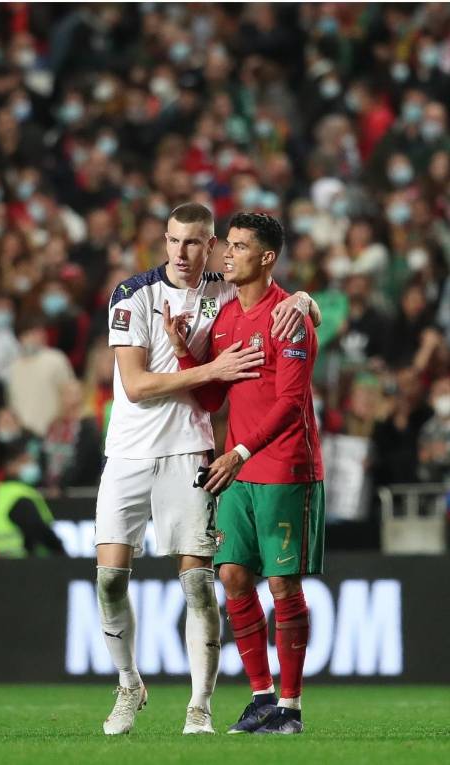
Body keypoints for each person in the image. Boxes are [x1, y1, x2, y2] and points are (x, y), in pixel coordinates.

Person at [93, 203, 320, 736]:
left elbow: (286, 314)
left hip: (206, 455)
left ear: (210, 244)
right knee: (117, 581)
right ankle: (133, 684)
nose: (183, 252)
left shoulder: (226, 290)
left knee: (211, 583)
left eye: (196, 242)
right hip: (137, 452)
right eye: (173, 241)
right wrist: (202, 363)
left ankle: (213, 706)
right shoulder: (137, 295)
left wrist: (307, 301)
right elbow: (141, 386)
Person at [172, 212, 325, 735]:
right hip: (237, 467)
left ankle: (291, 705)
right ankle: (261, 696)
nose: (226, 254)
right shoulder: (227, 319)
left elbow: (289, 403)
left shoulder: (290, 317)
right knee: (234, 575)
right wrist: (182, 352)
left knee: (282, 582)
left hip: (283, 463)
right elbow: (214, 396)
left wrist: (237, 450)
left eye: (238, 246)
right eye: (227, 245)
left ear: (267, 257)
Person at [0, 443, 67, 558]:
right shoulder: (19, 495)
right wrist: (59, 550)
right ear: (10, 466)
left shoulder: (0, 493)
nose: (31, 465)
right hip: (25, 564)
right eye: (25, 461)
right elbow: (38, 529)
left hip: (3, 562)